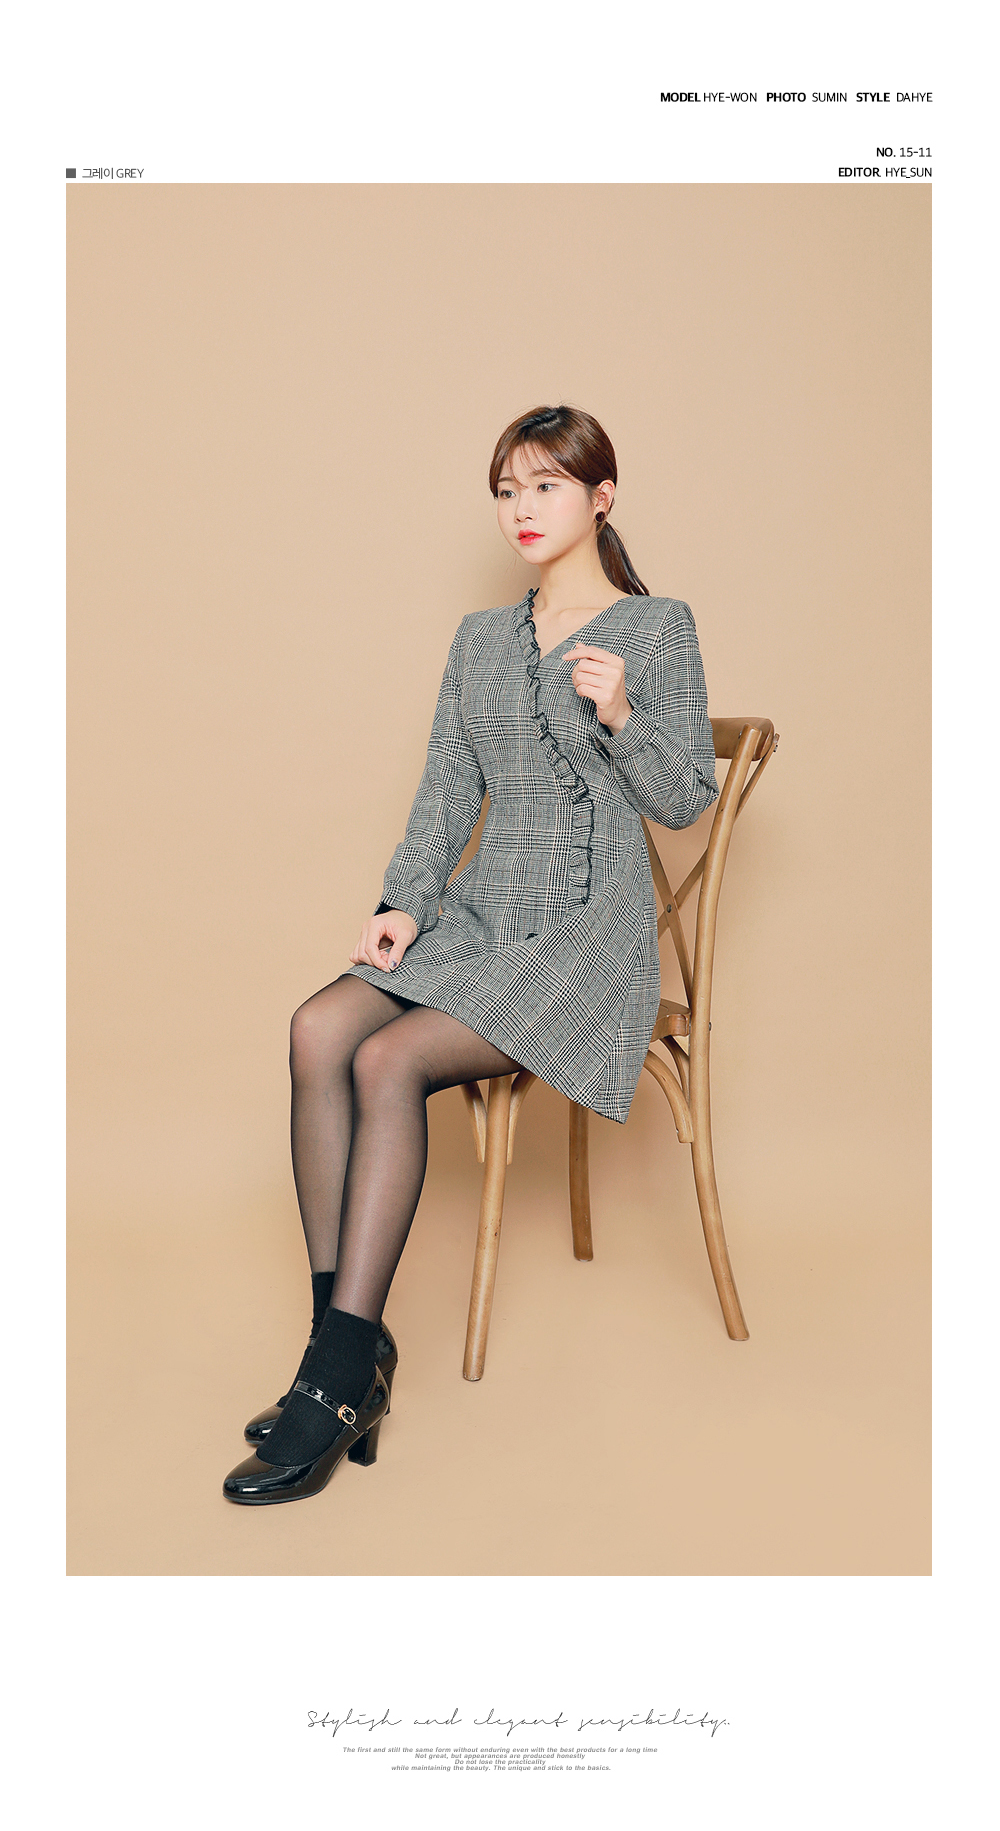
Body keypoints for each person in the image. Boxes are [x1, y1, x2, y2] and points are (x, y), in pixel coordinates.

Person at [223, 404, 719, 1505]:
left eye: (546, 485)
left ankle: (332, 1380)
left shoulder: (657, 629)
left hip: (585, 930)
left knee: (387, 1059)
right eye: (506, 490)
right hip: (480, 915)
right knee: (319, 1027)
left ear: (601, 496)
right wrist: (403, 903)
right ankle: (344, 1351)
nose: (521, 509)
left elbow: (687, 797)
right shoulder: (479, 640)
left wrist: (624, 714)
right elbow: (449, 785)